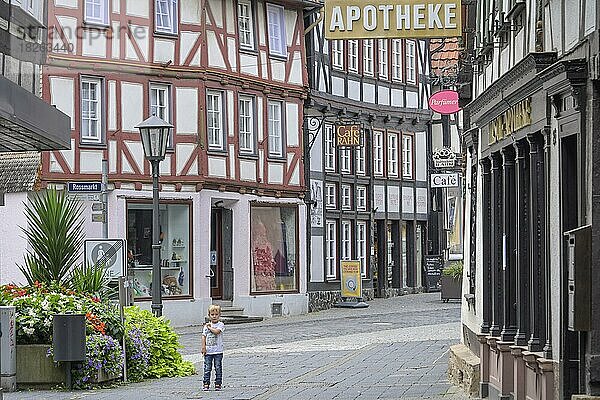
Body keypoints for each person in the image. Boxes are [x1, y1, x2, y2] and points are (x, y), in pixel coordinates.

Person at [202, 304, 225, 391]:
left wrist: (209, 327)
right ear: (209, 315)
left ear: (219, 315)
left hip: (218, 351)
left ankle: (218, 383)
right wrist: (203, 347)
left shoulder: (220, 325)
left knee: (218, 367)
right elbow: (203, 336)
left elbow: (216, 332)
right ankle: (206, 383)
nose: (214, 316)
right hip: (208, 351)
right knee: (207, 368)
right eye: (212, 314)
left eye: (216, 314)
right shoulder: (206, 326)